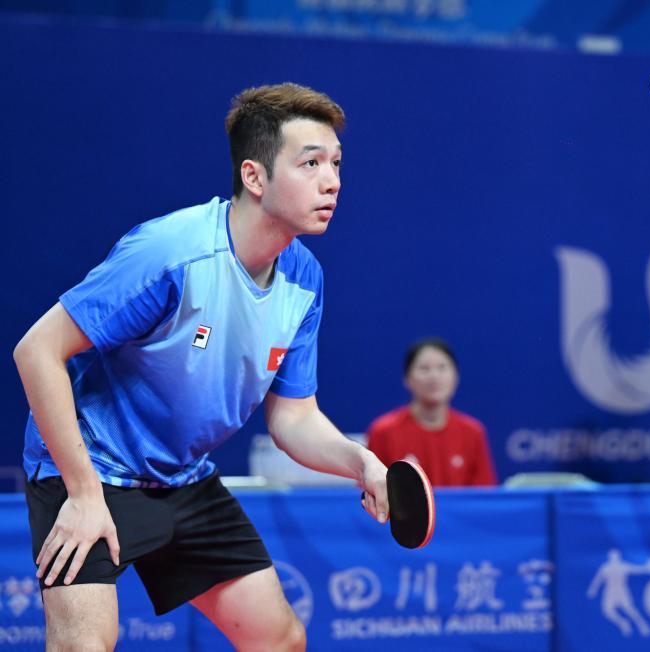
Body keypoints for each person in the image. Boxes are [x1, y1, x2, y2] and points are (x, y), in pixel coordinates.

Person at [13, 83, 389, 651]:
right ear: (254, 176)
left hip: (183, 477)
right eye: (310, 163)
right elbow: (37, 350)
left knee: (280, 639)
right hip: (94, 467)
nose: (332, 181)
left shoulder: (304, 280)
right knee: (82, 646)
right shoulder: (172, 253)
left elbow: (293, 419)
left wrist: (362, 464)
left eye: (336, 163)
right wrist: (83, 493)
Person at [367, 338, 497, 487]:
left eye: (442, 368)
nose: (434, 376)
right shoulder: (383, 432)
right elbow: (371, 492)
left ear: (455, 377)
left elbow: (483, 495)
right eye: (424, 368)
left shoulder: (473, 432)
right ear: (407, 379)